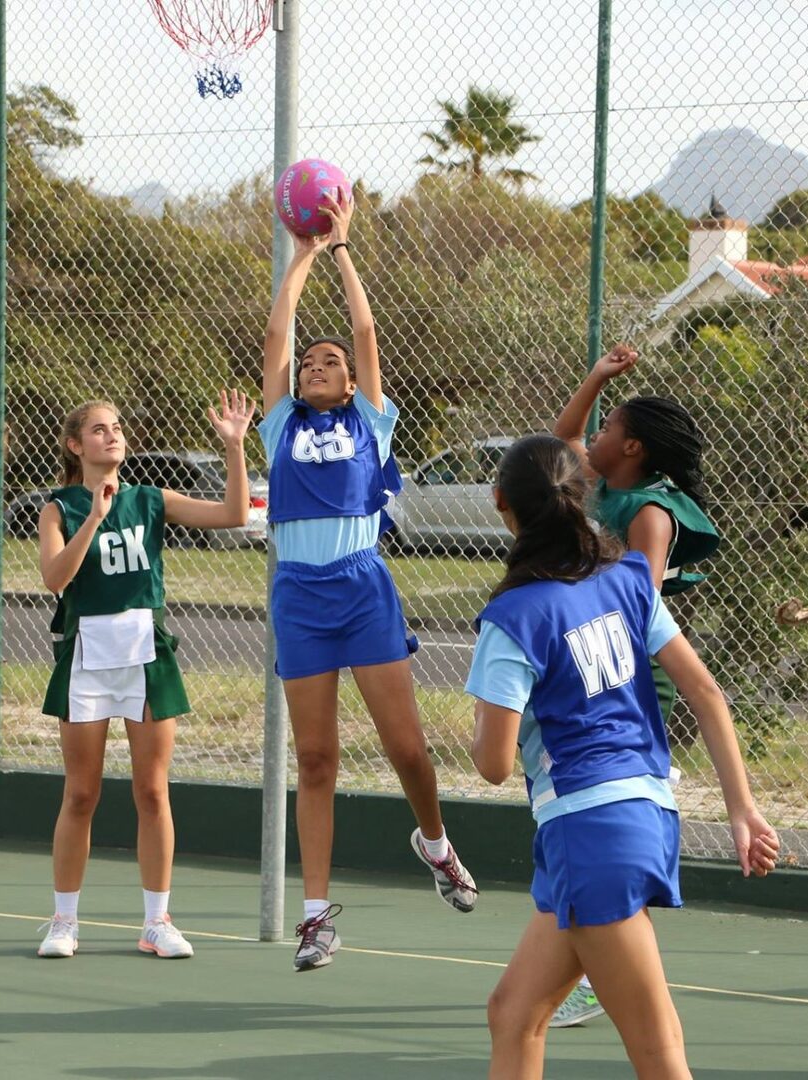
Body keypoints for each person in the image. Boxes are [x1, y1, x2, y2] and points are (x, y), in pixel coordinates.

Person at [467, 433, 780, 1079]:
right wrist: (742, 808)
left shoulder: (513, 616)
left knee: (657, 1052)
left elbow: (493, 765)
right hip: (642, 814)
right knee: (513, 1013)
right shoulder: (629, 579)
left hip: (589, 832)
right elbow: (705, 691)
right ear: (581, 495)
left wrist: (482, 717)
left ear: (500, 501)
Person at [260, 187, 477, 972]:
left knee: (407, 749)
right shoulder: (280, 425)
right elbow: (278, 333)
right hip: (299, 593)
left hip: (361, 586)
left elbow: (364, 331)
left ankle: (435, 844)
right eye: (308, 363)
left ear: (352, 385)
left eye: (331, 364)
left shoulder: (368, 420)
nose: (316, 365)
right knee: (316, 759)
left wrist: (342, 247)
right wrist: (300, 257)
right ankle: (315, 919)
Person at [34, 392, 256, 960]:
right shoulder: (59, 508)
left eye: (116, 427)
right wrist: (95, 517)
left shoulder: (150, 499)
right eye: (98, 429)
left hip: (144, 654)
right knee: (80, 793)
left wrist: (234, 447)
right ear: (75, 445)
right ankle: (63, 922)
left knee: (153, 791)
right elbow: (55, 578)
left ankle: (157, 922)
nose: (112, 435)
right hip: (87, 655)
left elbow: (233, 515)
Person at [546, 344, 723, 1028]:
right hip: (593, 656)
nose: (596, 433)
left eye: (610, 424)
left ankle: (608, 970)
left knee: (624, 813)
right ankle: (603, 961)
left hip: (633, 673)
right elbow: (563, 436)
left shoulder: (650, 512)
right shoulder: (603, 484)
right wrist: (597, 377)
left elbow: (637, 607)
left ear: (633, 447)